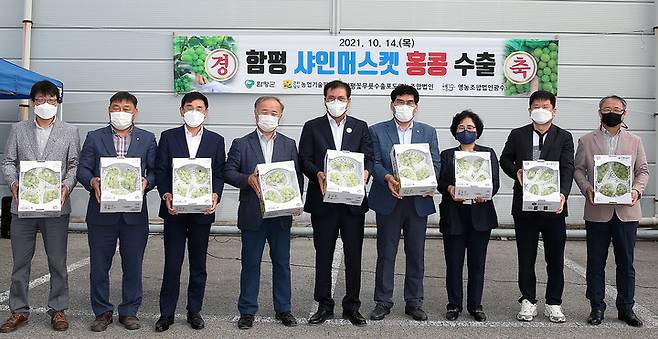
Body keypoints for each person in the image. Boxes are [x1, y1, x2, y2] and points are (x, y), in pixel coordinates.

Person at [0, 80, 79, 333]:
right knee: (20, 262)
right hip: (23, 207)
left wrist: (66, 185)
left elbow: (74, 164)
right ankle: (18, 310)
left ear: (58, 103)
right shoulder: (18, 129)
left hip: (56, 208)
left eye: (51, 100)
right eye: (41, 100)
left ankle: (58, 309)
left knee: (57, 261)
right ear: (33, 103)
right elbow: (9, 161)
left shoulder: (70, 131)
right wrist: (13, 184)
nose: (46, 105)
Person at [77, 91, 157, 332]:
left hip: (134, 215)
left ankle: (129, 311)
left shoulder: (147, 138)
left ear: (135, 112)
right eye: (116, 107)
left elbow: (155, 170)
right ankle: (102, 312)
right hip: (102, 213)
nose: (121, 112)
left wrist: (147, 182)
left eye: (126, 108)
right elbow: (83, 168)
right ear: (109, 110)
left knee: (133, 264)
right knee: (99, 265)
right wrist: (92, 181)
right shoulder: (94, 137)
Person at [224, 96, 303, 330]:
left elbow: (296, 177)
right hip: (252, 214)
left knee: (282, 263)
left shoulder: (289, 144)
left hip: (280, 215)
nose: (269, 116)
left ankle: (284, 309)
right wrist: (247, 179)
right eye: (264, 111)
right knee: (250, 263)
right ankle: (247, 310)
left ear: (281, 116)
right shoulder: (241, 143)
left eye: (274, 112)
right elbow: (228, 171)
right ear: (256, 114)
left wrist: (297, 201)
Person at [299, 80, 373, 326]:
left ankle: (352, 306)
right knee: (324, 255)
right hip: (324, 202)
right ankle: (324, 304)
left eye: (341, 98)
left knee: (354, 255)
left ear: (349, 101)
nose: (336, 102)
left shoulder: (361, 127)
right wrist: (317, 173)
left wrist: (366, 173)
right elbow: (304, 159)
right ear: (324, 99)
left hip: (352, 204)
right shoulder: (312, 126)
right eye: (331, 97)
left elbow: (369, 157)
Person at [573, 95, 649, 327]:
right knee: (596, 261)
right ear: (599, 113)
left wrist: (636, 191)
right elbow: (578, 170)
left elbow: (643, 170)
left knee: (626, 262)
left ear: (624, 113)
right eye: (607, 108)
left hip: (627, 211)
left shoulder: (635, 141)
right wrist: (587, 189)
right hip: (597, 211)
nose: (611, 112)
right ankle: (596, 307)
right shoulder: (587, 141)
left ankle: (626, 308)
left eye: (616, 109)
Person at [500, 90, 574, 323]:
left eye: (545, 106)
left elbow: (568, 168)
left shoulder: (564, 136)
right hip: (525, 206)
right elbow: (505, 159)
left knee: (555, 258)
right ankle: (528, 300)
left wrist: (563, 194)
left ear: (554, 111)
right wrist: (517, 172)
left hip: (554, 207)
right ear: (530, 109)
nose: (540, 110)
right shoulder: (518, 134)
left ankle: (554, 302)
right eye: (536, 106)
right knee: (526, 256)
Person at [367, 85, 440, 322]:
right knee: (386, 253)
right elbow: (374, 162)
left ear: (416, 107)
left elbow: (436, 163)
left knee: (416, 253)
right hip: (389, 199)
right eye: (400, 102)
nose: (404, 107)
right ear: (392, 105)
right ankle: (383, 301)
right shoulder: (377, 130)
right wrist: (388, 178)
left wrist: (428, 182)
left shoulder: (428, 132)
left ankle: (414, 302)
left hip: (417, 202)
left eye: (409, 103)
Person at [154, 92, 225, 332]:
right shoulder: (168, 137)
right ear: (181, 110)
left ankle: (194, 311)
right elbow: (161, 170)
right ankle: (166, 313)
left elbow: (218, 172)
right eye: (189, 107)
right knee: (172, 264)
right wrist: (166, 194)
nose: (194, 111)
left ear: (206, 112)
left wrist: (216, 194)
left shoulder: (216, 140)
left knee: (198, 264)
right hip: (174, 211)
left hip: (202, 212)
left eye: (199, 107)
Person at [437, 110, 499, 322]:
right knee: (453, 263)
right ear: (455, 132)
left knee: (477, 263)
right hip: (454, 215)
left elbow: (495, 183)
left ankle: (476, 305)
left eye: (470, 128)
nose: (466, 131)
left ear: (478, 132)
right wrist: (450, 188)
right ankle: (453, 305)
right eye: (461, 128)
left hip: (480, 216)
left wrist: (486, 194)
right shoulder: (447, 155)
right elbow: (440, 181)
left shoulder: (488, 154)